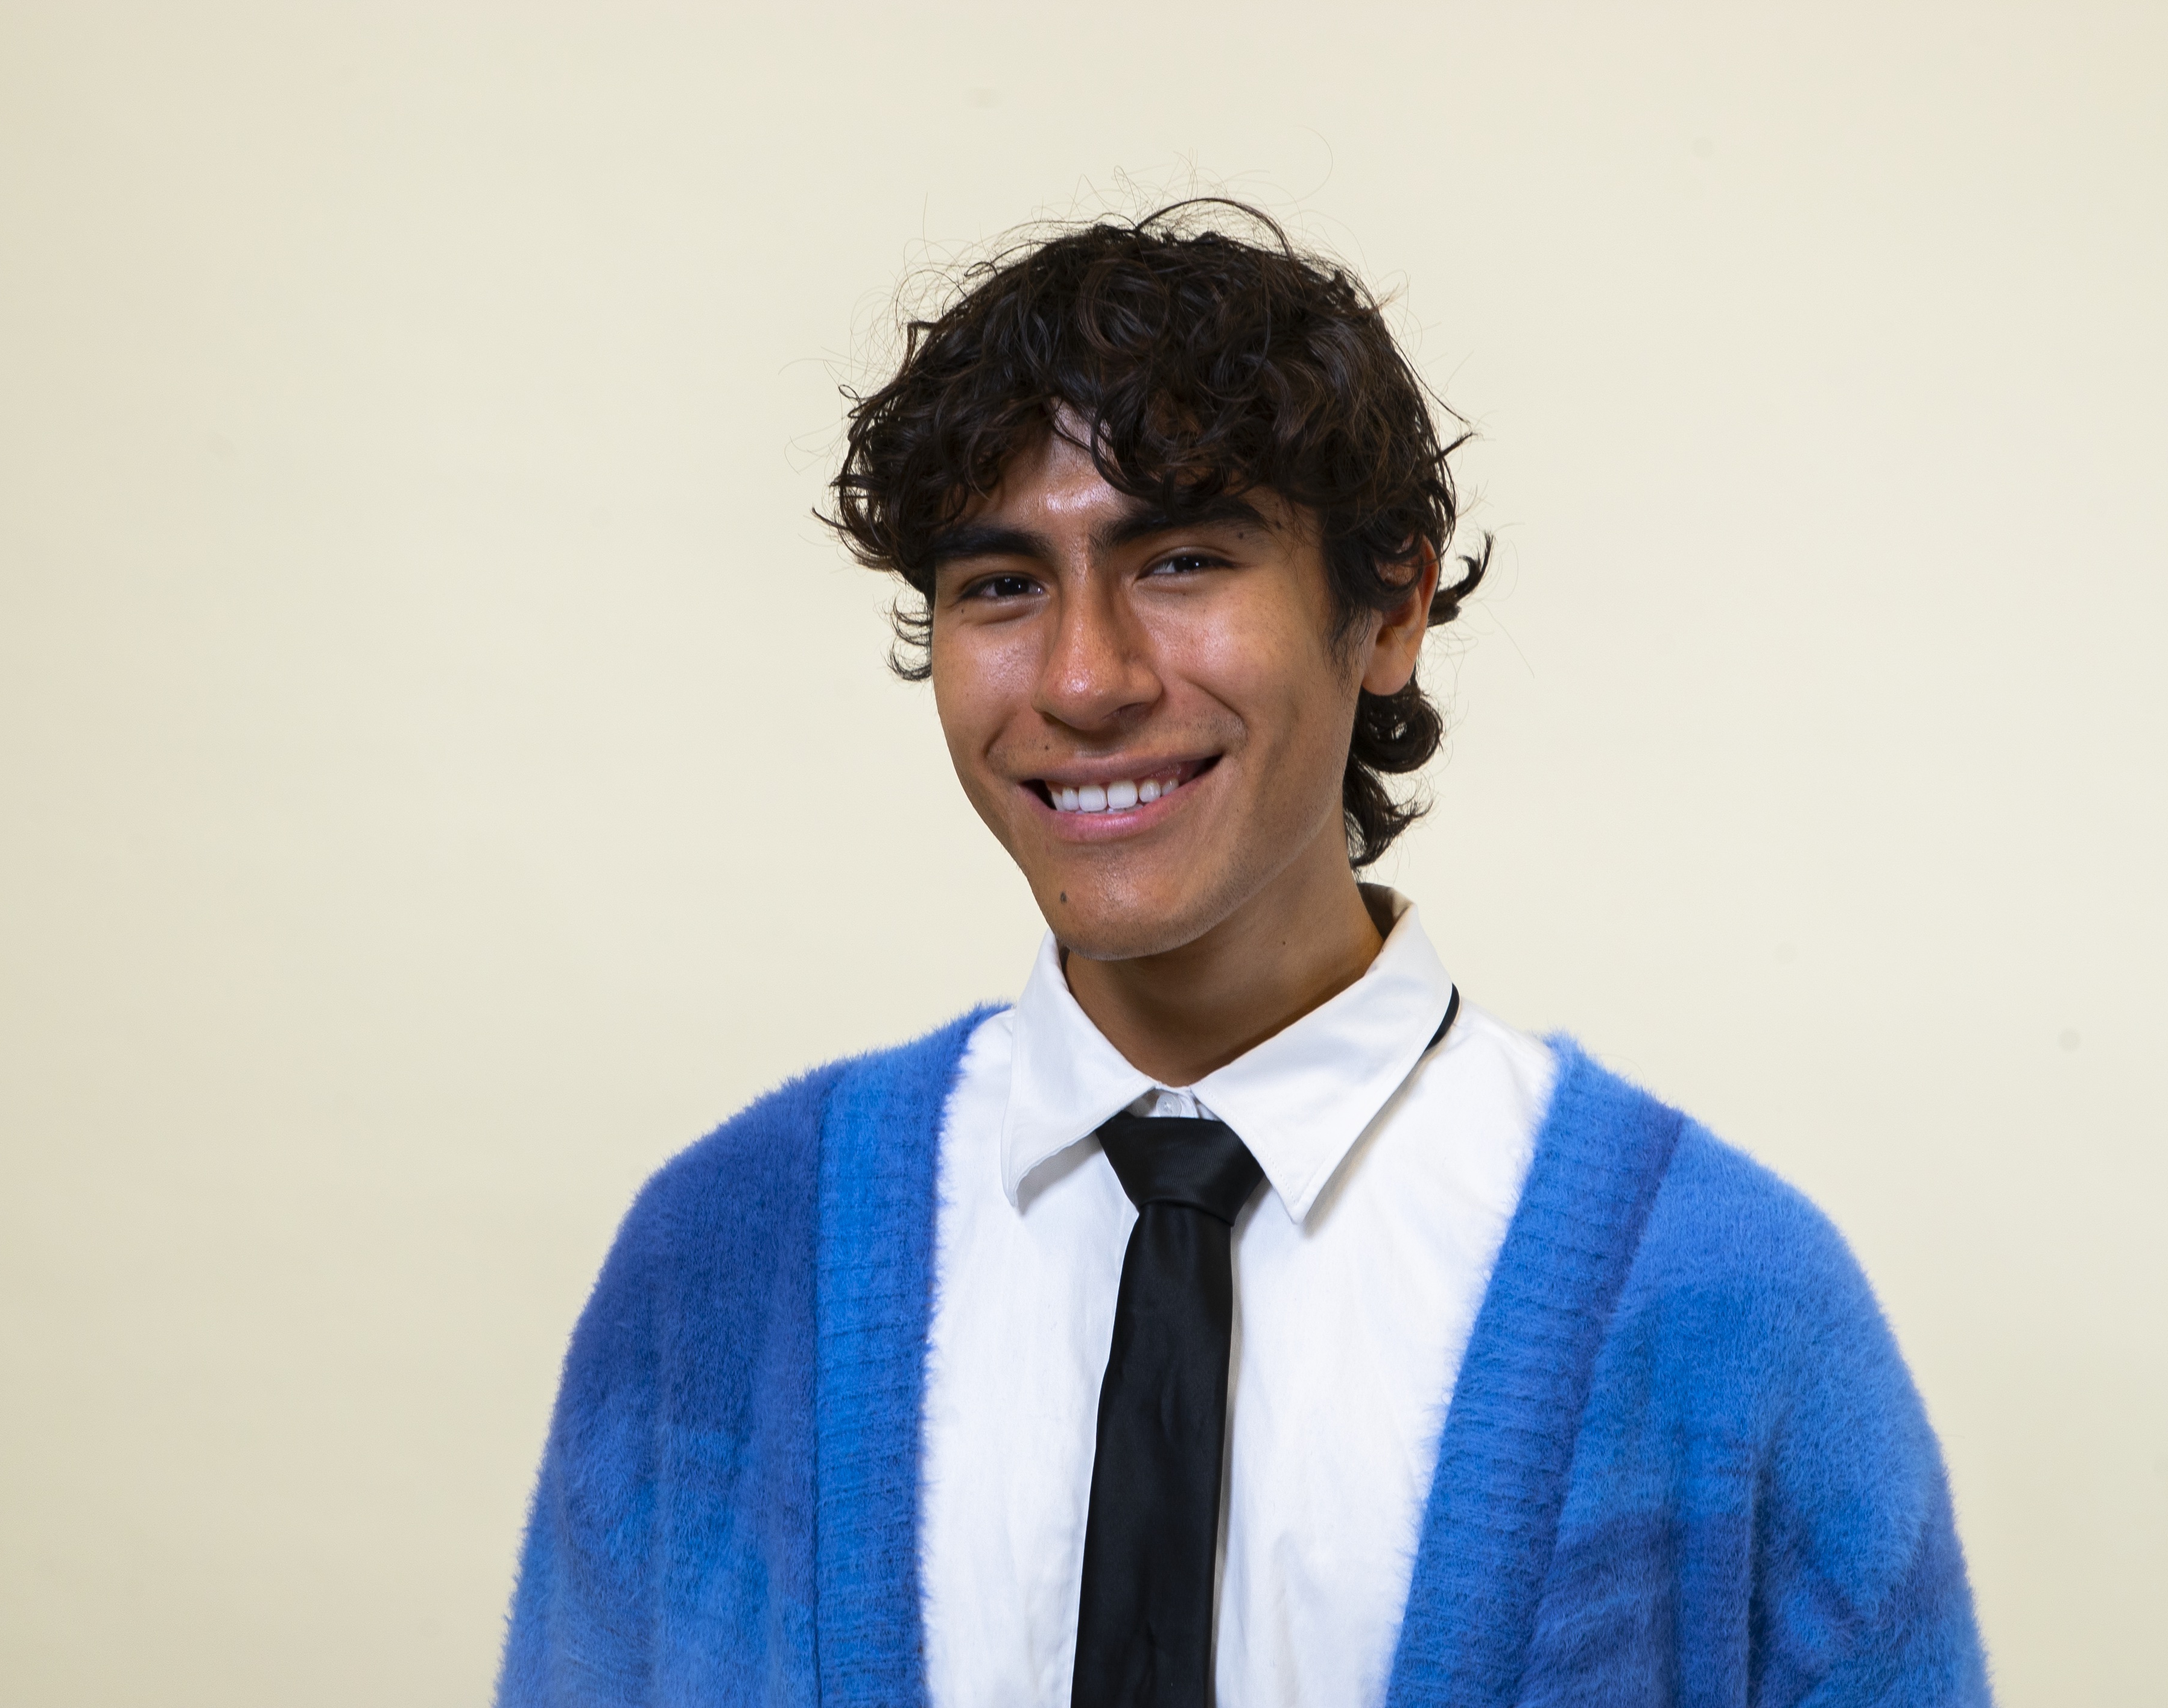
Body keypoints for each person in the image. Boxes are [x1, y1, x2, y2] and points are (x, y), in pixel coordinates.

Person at [495, 203, 1991, 1708]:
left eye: (1182, 560)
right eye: (1001, 584)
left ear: (1390, 606)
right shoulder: (724, 1267)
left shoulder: (1726, 1308)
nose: (1084, 680)